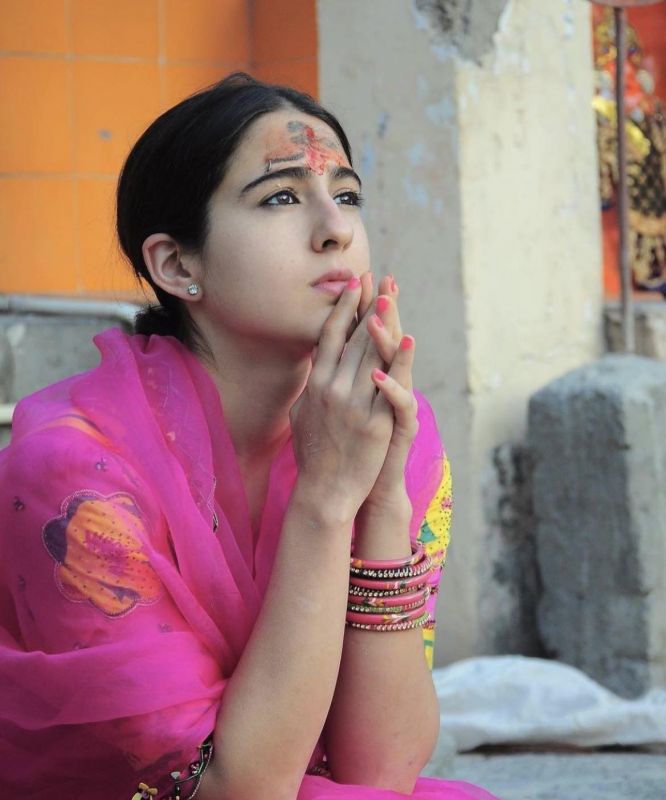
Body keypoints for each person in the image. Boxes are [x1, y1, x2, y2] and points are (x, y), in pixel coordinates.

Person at [0, 73, 498, 800]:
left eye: (348, 195)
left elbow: (383, 773)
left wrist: (383, 499)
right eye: (282, 198)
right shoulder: (75, 477)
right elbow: (231, 790)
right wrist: (327, 503)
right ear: (177, 265)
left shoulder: (386, 432)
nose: (335, 229)